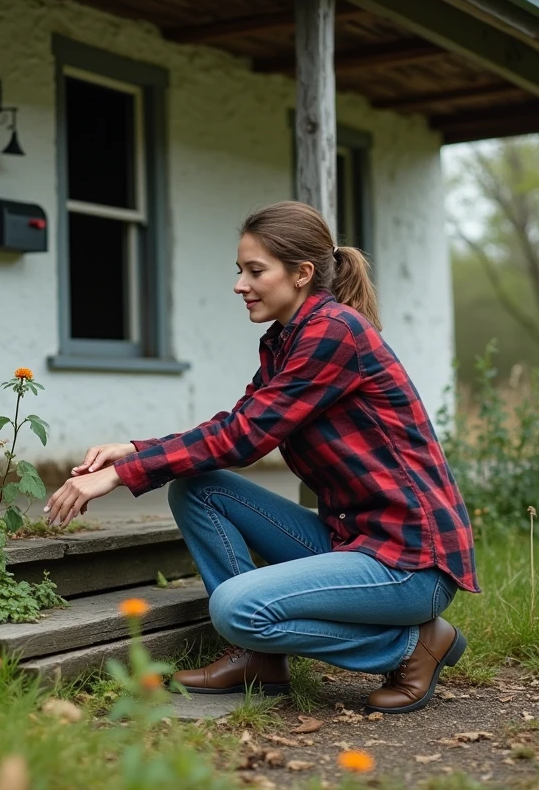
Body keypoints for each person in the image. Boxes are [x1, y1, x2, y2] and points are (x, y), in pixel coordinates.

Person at [44, 200, 480, 714]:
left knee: (235, 607)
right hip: (355, 542)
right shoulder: (285, 339)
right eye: (239, 270)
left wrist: (121, 474)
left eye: (255, 271)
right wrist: (137, 450)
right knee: (201, 489)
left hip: (409, 563)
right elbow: (236, 422)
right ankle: (259, 659)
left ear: (301, 274)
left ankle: (413, 645)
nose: (239, 284)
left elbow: (245, 438)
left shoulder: (334, 332)